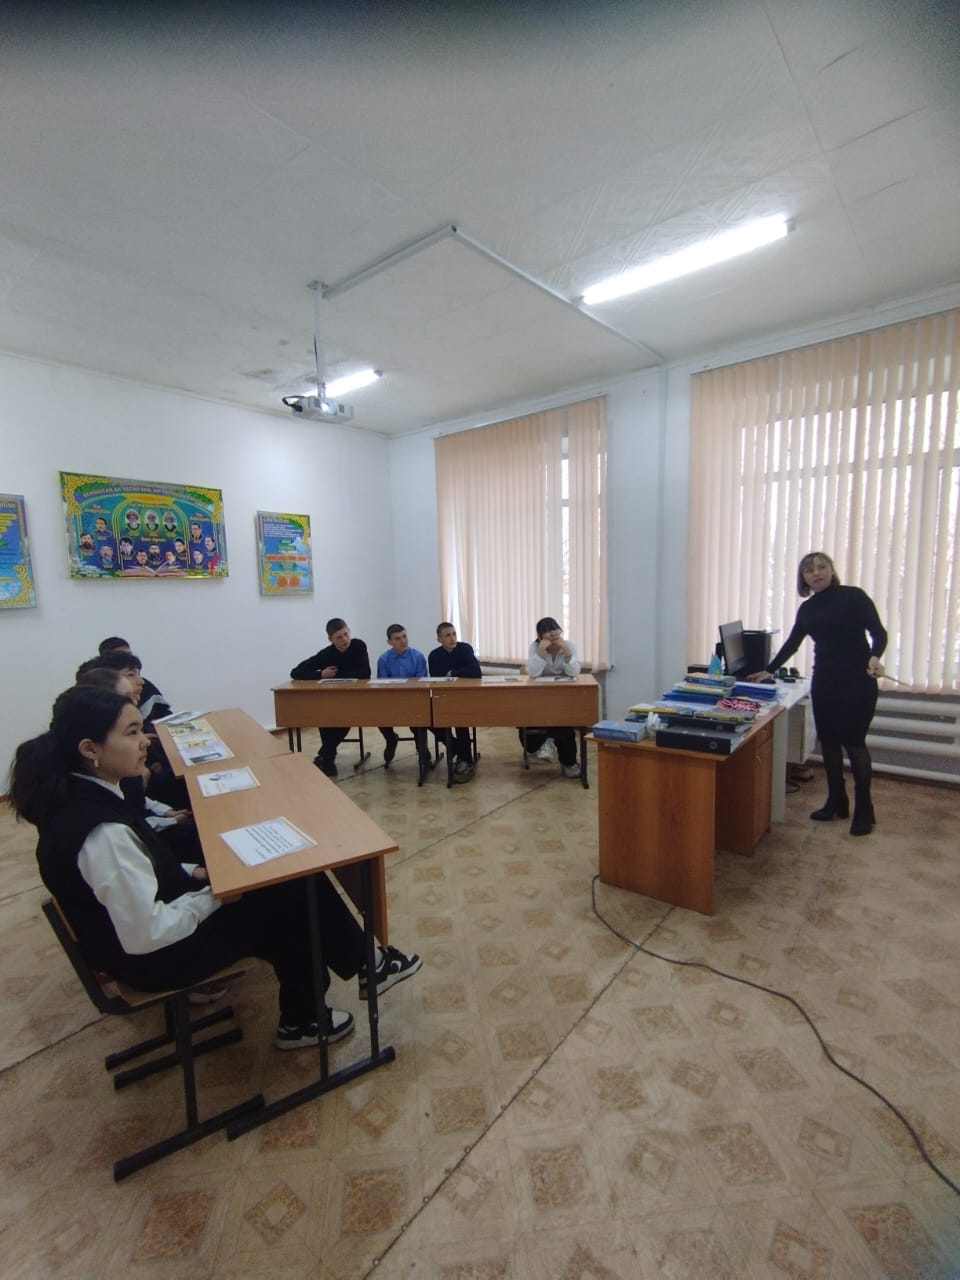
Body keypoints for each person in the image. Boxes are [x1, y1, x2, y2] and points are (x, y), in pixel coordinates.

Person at [8, 686, 422, 1050]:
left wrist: (194, 873)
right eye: (131, 733)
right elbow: (148, 933)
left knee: (287, 878)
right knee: (291, 897)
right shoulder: (101, 833)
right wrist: (216, 895)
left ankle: (361, 969)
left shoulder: (87, 795)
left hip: (145, 933)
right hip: (155, 957)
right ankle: (308, 1017)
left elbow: (146, 863)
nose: (146, 741)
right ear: (89, 749)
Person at [750, 552, 886, 836]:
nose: (816, 573)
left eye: (822, 567)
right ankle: (836, 800)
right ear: (803, 578)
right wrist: (768, 671)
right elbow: (793, 643)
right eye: (809, 570)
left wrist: (875, 656)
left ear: (831, 570)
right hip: (825, 681)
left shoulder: (853, 596)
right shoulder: (808, 609)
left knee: (854, 744)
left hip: (857, 682)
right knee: (830, 743)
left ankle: (864, 808)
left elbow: (879, 633)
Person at [290, 618, 372, 778]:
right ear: (330, 639)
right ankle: (328, 758)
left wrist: (336, 675)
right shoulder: (326, 654)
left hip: (355, 699)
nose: (344, 639)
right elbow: (296, 672)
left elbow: (364, 673)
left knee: (345, 717)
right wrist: (320, 674)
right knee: (324, 715)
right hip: (332, 700)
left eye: (346, 634)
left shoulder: (358, 646)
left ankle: (325, 756)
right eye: (339, 637)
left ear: (349, 631)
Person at [522, 616, 581, 778]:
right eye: (548, 631)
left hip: (563, 697)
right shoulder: (535, 647)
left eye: (555, 629)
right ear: (540, 636)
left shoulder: (569, 645)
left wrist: (567, 652)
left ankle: (568, 762)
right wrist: (541, 652)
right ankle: (548, 740)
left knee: (564, 725)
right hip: (539, 697)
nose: (553, 634)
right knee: (532, 723)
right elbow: (533, 673)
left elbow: (574, 672)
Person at [428, 623, 481, 781]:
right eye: (447, 635)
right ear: (439, 639)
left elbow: (476, 672)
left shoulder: (465, 649)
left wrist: (453, 673)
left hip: (464, 697)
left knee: (459, 719)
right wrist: (460, 674)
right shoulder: (434, 655)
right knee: (429, 719)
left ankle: (465, 759)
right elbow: (436, 679)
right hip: (443, 698)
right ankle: (457, 748)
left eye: (454, 634)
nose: (452, 638)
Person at [377, 624, 428, 768]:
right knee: (379, 717)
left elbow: (422, 683)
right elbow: (383, 685)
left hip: (414, 700)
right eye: (398, 638)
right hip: (392, 701)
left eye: (404, 636)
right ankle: (391, 740)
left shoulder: (418, 657)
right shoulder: (383, 659)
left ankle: (422, 751)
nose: (403, 641)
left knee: (418, 722)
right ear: (390, 642)